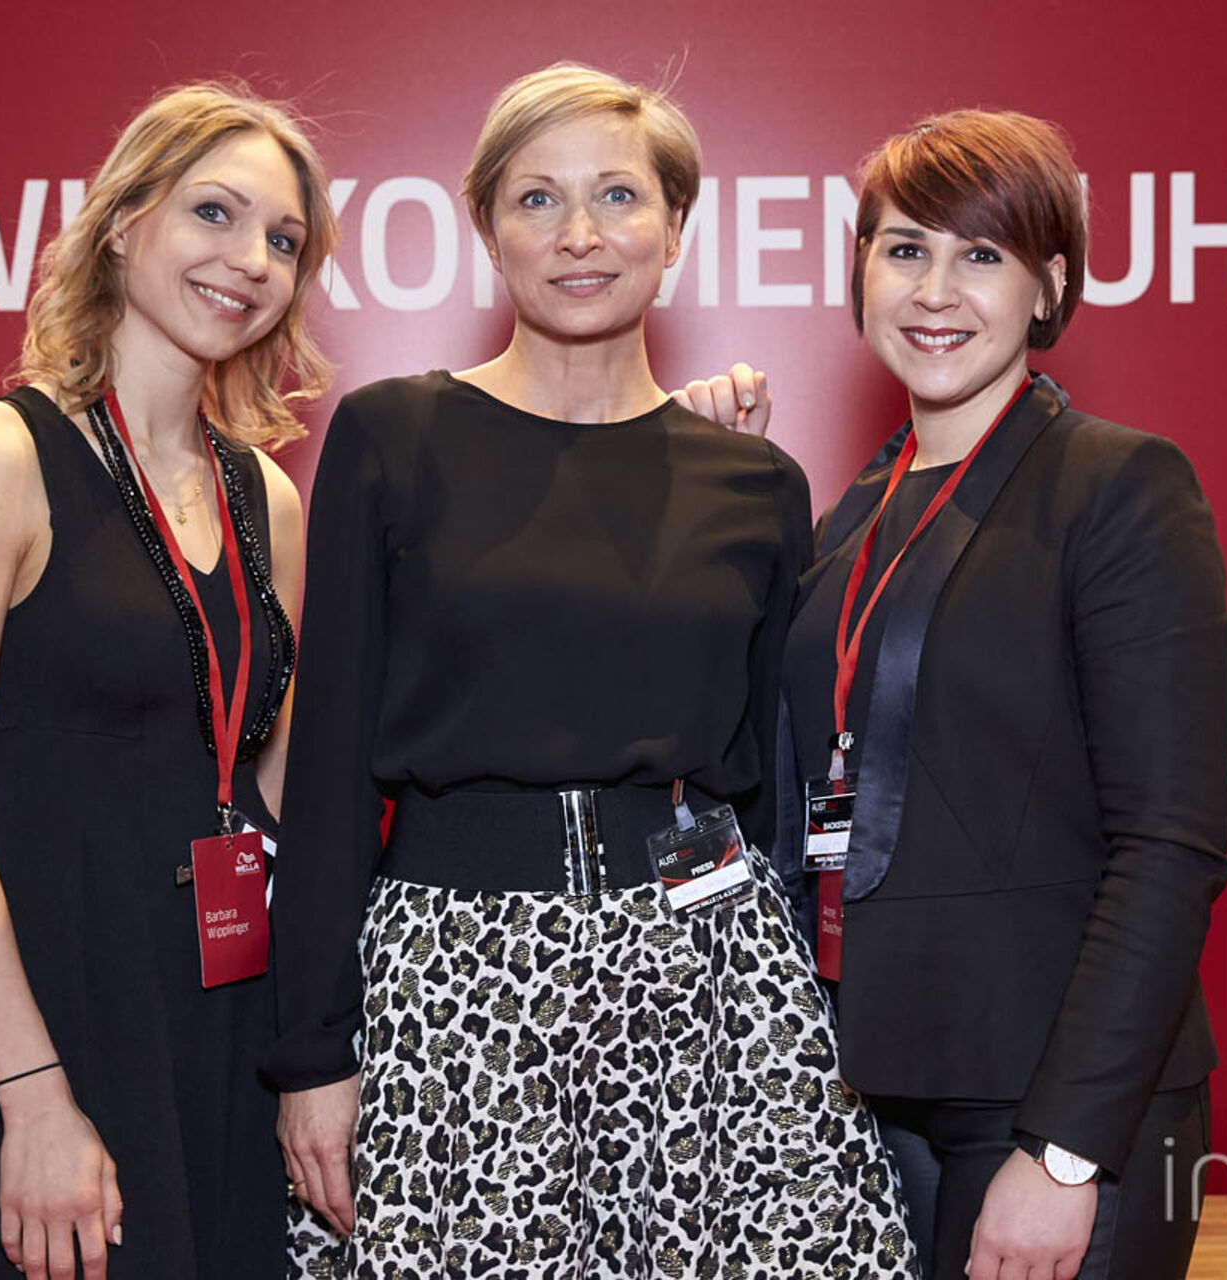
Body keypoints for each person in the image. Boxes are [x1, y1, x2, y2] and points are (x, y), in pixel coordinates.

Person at [265, 63, 919, 1279]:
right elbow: (330, 771)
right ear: (487, 230)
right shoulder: (392, 438)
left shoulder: (756, 482)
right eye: (538, 198)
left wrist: (791, 1002)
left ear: (675, 229)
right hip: (459, 984)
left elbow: (772, 793)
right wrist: (311, 1050)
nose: (580, 234)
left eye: (619, 195)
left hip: (710, 975)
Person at [0, 82, 336, 1279]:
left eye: (283, 239)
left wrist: (314, 1048)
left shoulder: (269, 498)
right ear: (125, 221)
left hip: (232, 1012)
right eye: (215, 213)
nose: (251, 259)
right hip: (58, 1011)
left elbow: (280, 783)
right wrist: (31, 1090)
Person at [773, 110, 1227, 1280]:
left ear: (1050, 284)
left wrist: (1065, 1149)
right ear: (862, 273)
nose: (936, 290)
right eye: (905, 249)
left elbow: (1169, 843)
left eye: (981, 254)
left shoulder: (1118, 485)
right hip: (878, 1092)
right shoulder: (856, 508)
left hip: (1056, 1112)